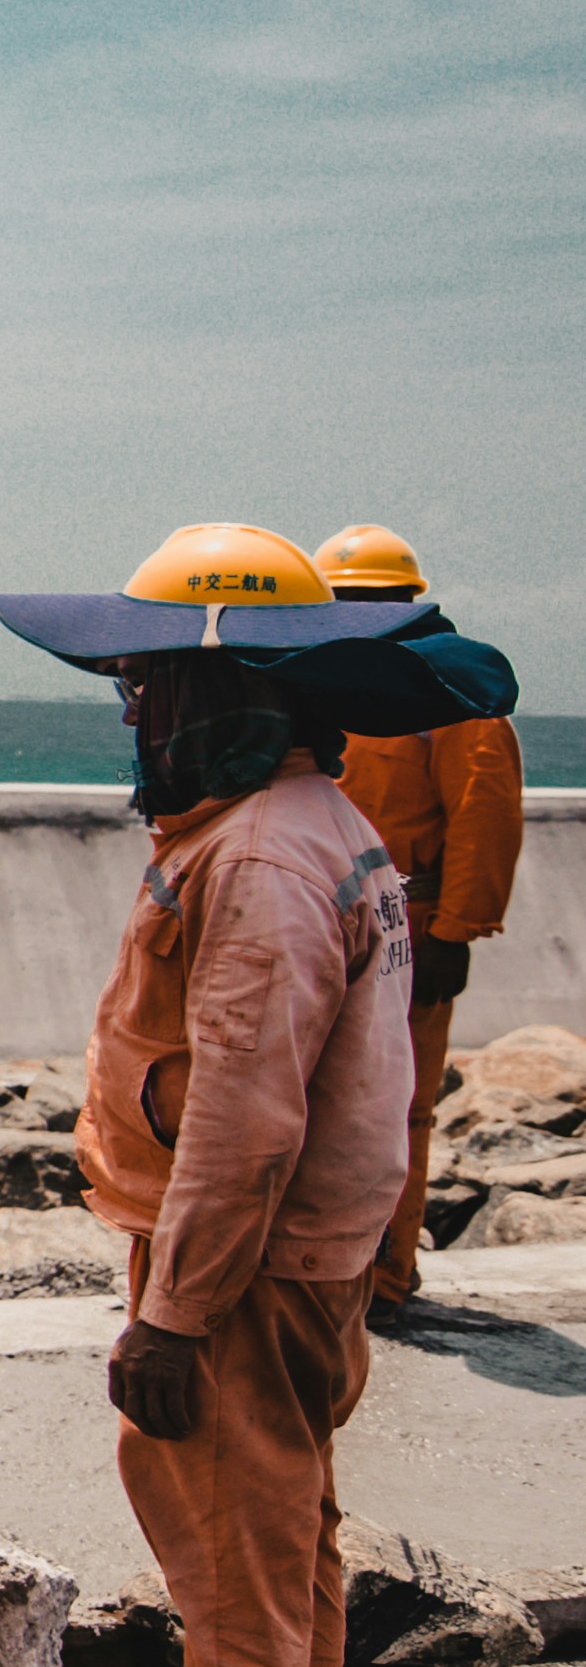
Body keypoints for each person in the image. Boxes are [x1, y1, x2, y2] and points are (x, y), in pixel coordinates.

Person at [0, 517, 513, 1667]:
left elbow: (243, 1108)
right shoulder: (307, 832)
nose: (127, 709)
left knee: (230, 1563)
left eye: (146, 685)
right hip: (303, 1260)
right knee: (285, 1547)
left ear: (216, 698)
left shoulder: (264, 860)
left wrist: (172, 1312)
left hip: (241, 1268)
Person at [315, 523, 527, 1314]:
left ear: (404, 600)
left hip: (414, 921)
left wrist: (457, 932)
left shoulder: (452, 690)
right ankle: (318, 1268)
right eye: (340, 599)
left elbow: (485, 813)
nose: (351, 612)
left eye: (364, 599)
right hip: (319, 918)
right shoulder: (319, 681)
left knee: (395, 1107)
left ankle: (384, 1276)